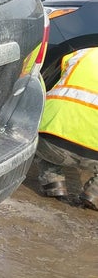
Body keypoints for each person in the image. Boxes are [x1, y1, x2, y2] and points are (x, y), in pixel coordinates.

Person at [35, 46, 98, 211]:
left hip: (51, 143)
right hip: (94, 155)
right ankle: (94, 193)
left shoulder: (81, 54)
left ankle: (53, 182)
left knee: (40, 127)